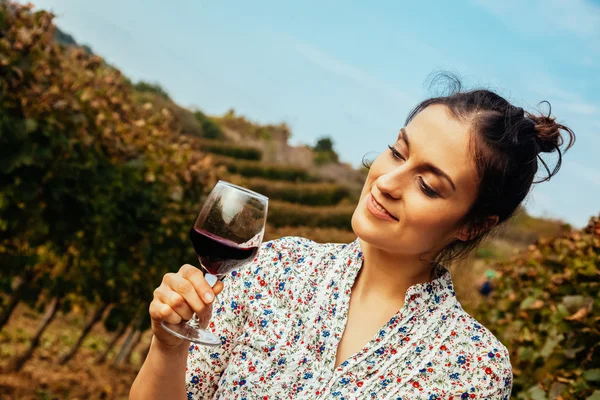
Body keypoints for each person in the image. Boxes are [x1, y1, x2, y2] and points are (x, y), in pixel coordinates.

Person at [130, 75, 575, 399]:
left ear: (472, 225)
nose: (386, 182)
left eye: (428, 185)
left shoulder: (471, 368)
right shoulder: (275, 268)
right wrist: (169, 349)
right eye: (398, 152)